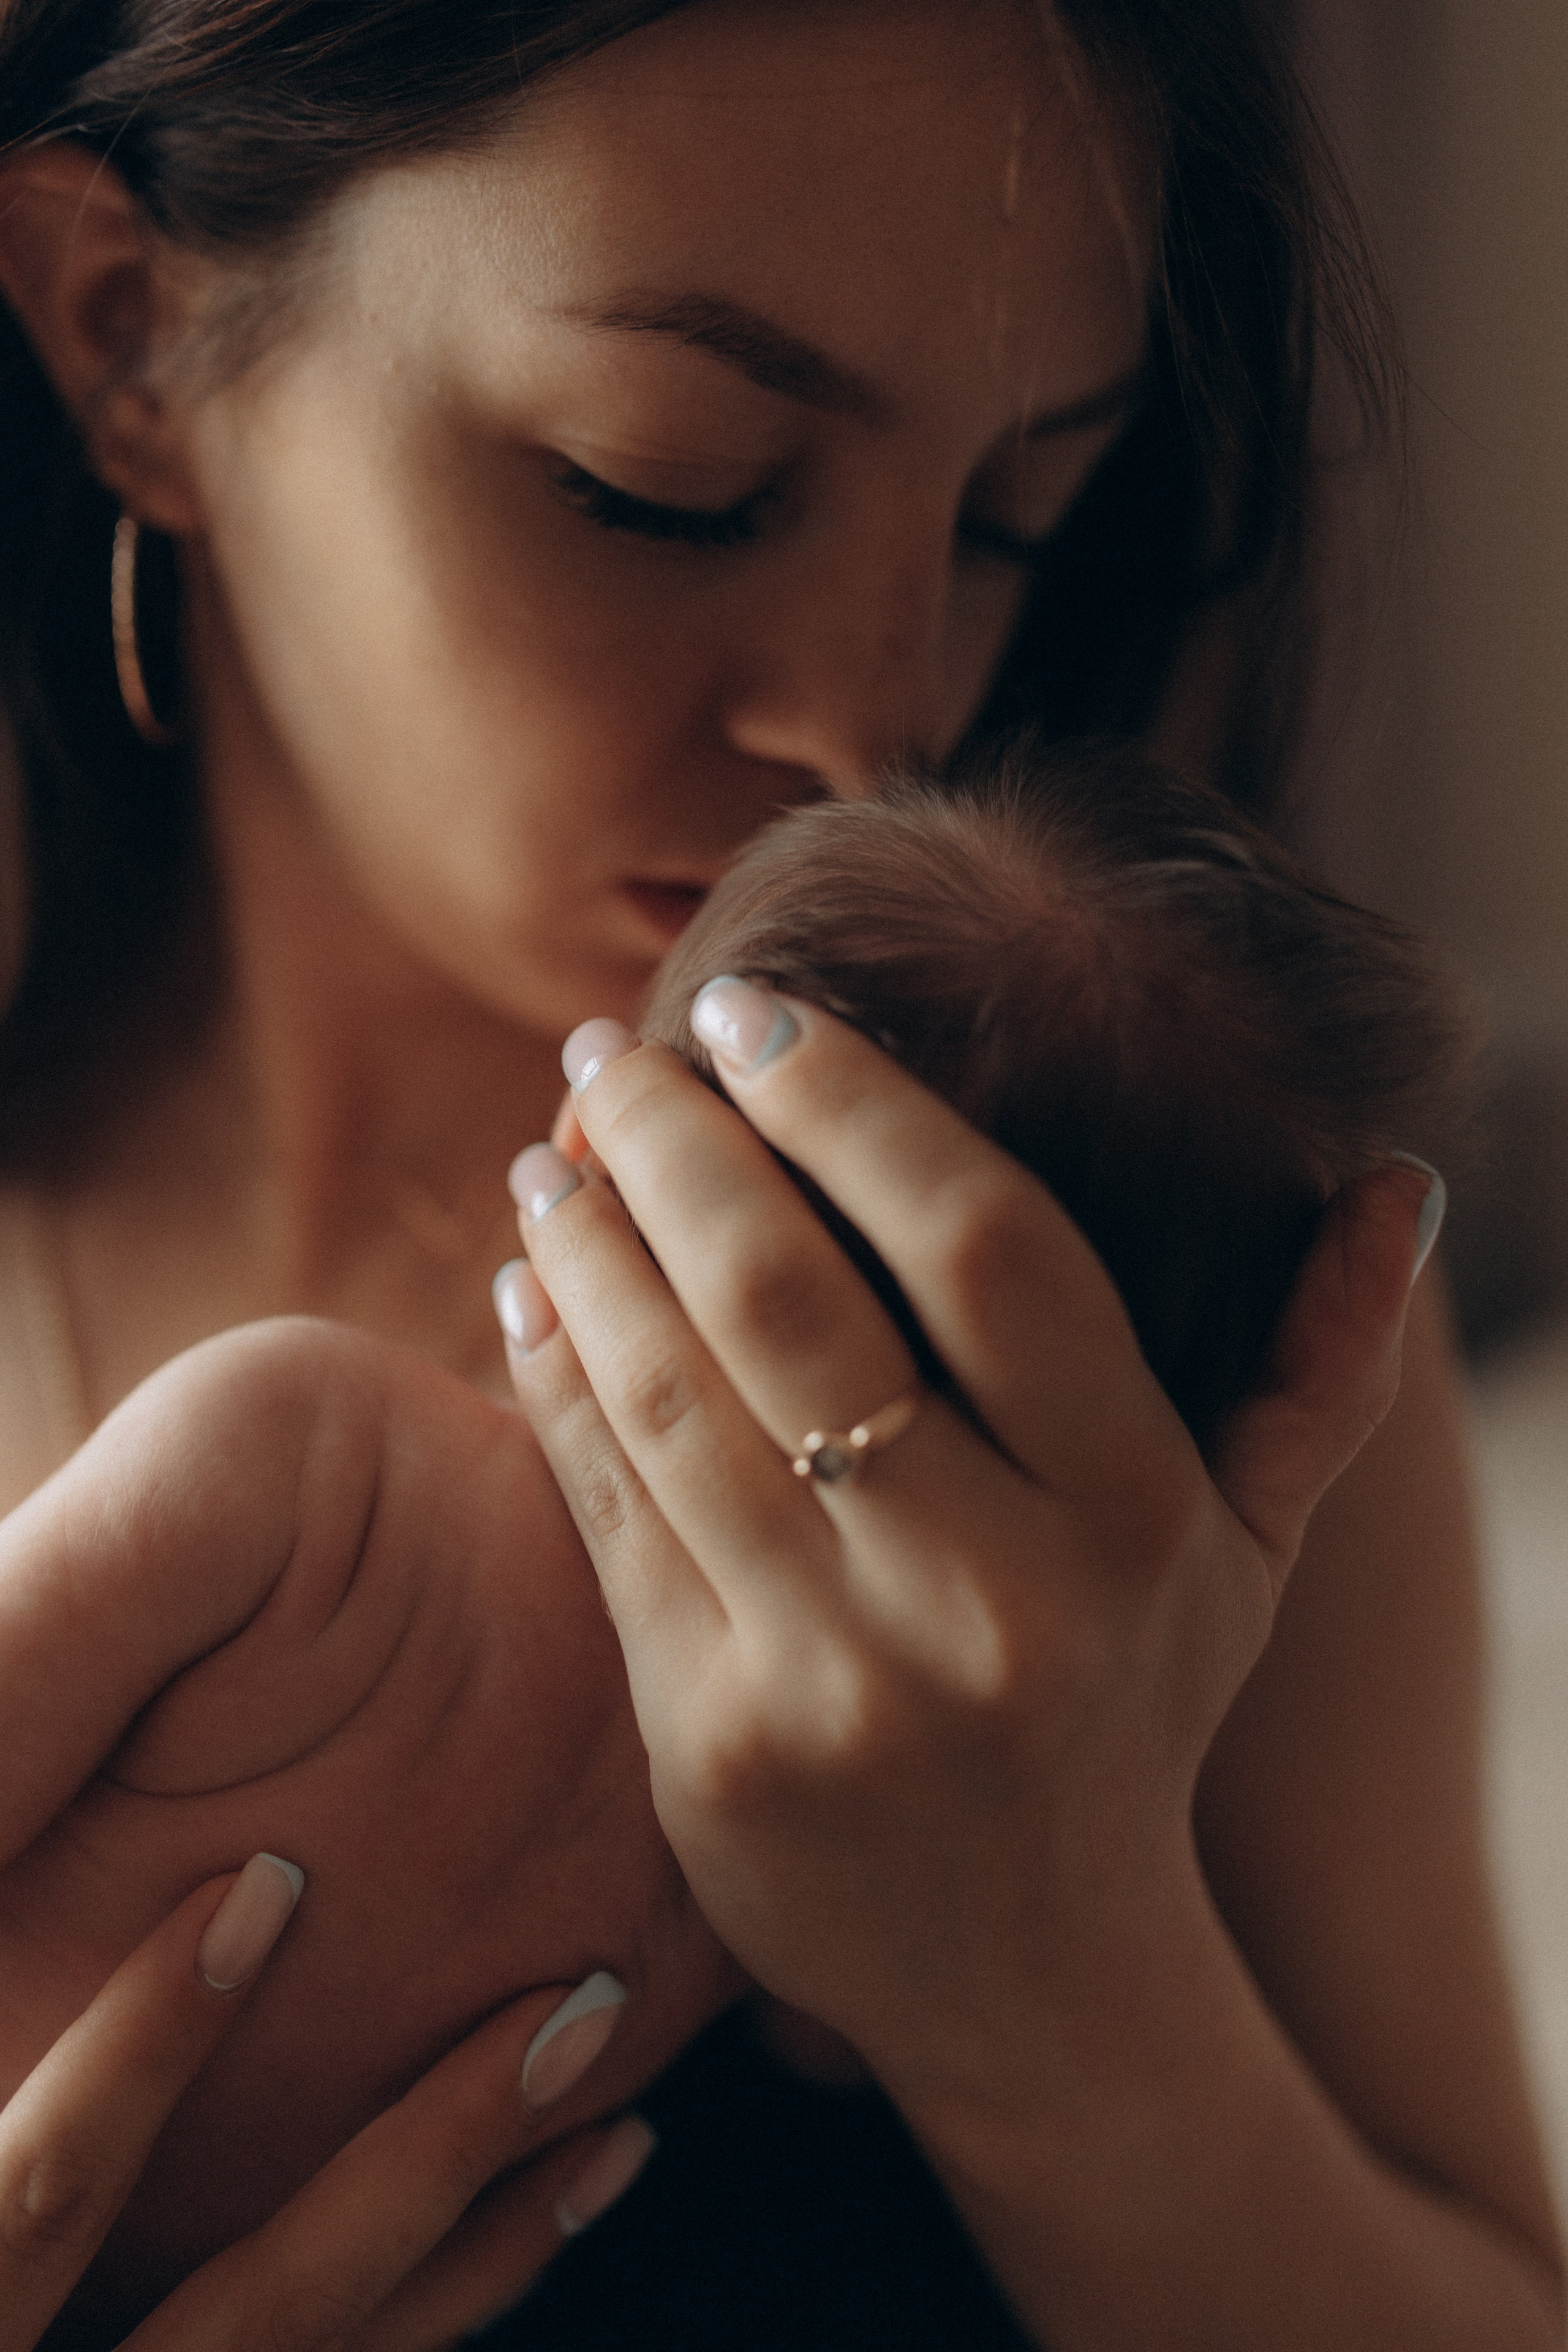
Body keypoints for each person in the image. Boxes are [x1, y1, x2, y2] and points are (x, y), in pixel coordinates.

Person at [0, 1, 1559, 2345]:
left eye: (1020, 510)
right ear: (131, 333)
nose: (873, 719)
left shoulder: (1157, 1331)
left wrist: (1054, 1984)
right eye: (672, 481)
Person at [0, 741, 1467, 2334]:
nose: (867, 687)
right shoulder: (804, 1891)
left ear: (591, 1160)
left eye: (1003, 525)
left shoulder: (311, 1465)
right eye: (671, 505)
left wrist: (1073, 1953)